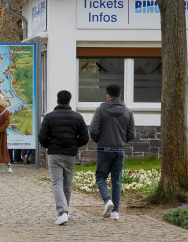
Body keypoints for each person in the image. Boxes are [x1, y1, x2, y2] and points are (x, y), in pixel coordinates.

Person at [38, 89, 90, 226]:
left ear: (57, 101)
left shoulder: (49, 117)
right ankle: (65, 211)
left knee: (56, 183)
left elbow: (42, 137)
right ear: (69, 101)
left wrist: (50, 145)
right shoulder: (77, 117)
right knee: (67, 184)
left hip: (55, 154)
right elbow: (85, 137)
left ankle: (62, 212)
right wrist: (74, 145)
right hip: (70, 154)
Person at [89, 83, 137, 221]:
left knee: (100, 177)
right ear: (120, 95)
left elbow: (93, 130)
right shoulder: (128, 111)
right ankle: (115, 212)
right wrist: (122, 140)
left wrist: (99, 140)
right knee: (117, 180)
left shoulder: (100, 110)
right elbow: (131, 133)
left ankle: (107, 200)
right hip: (119, 150)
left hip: (104, 149)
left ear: (108, 95)